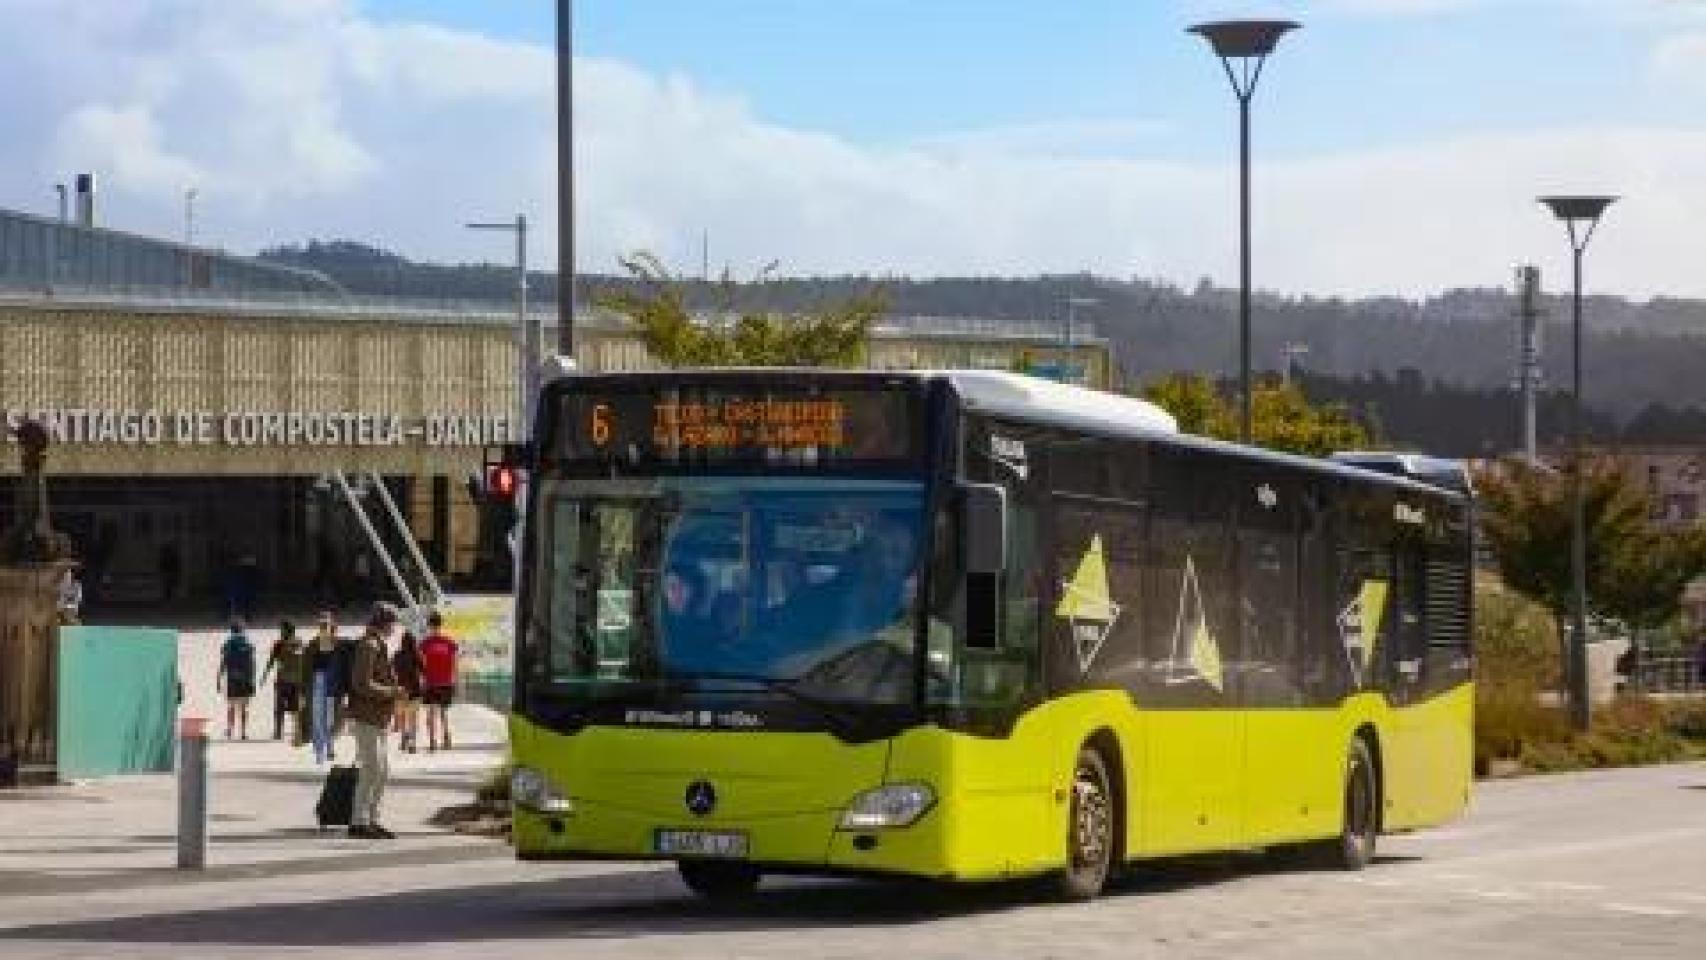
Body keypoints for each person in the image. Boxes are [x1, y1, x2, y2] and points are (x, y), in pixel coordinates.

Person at [346, 603, 402, 840]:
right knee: (373, 768)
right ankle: (359, 822)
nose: (394, 628)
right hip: (366, 717)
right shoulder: (368, 646)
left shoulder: (377, 645)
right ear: (385, 623)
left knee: (381, 770)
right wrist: (392, 692)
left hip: (377, 718)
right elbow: (361, 683)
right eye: (393, 623)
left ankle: (371, 819)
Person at [304, 612, 342, 763]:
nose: (323, 628)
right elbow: (305, 668)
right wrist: (303, 690)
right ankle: (320, 751)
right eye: (321, 625)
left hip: (332, 683)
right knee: (318, 718)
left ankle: (330, 747)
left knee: (330, 718)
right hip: (317, 681)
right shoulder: (313, 644)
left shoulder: (337, 643)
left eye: (326, 625)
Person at [418, 612, 459, 752]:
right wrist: (455, 680)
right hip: (444, 682)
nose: (433, 628)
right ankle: (444, 738)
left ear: (430, 625)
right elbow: (455, 663)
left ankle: (434, 740)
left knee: (433, 712)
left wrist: (421, 680)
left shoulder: (425, 644)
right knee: (442, 712)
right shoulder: (449, 642)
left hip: (432, 682)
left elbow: (421, 664)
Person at [260, 620, 306, 741]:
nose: (280, 631)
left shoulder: (279, 644)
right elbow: (304, 662)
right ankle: (296, 731)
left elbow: (271, 661)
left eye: (282, 629)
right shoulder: (300, 643)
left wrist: (264, 675)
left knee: (280, 708)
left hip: (283, 681)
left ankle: (278, 732)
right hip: (297, 680)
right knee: (295, 708)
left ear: (286, 630)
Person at [217, 620, 257, 740]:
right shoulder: (248, 644)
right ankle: (244, 732)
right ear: (242, 629)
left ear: (232, 630)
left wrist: (218, 678)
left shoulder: (228, 643)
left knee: (231, 705)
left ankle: (230, 730)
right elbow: (252, 663)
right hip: (246, 678)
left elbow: (224, 662)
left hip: (233, 678)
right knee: (244, 707)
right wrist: (252, 679)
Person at [391, 631, 425, 754]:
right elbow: (423, 671)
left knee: (402, 715)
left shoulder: (397, 655)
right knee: (413, 717)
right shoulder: (418, 655)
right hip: (415, 689)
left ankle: (404, 736)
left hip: (401, 689)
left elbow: (393, 672)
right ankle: (412, 743)